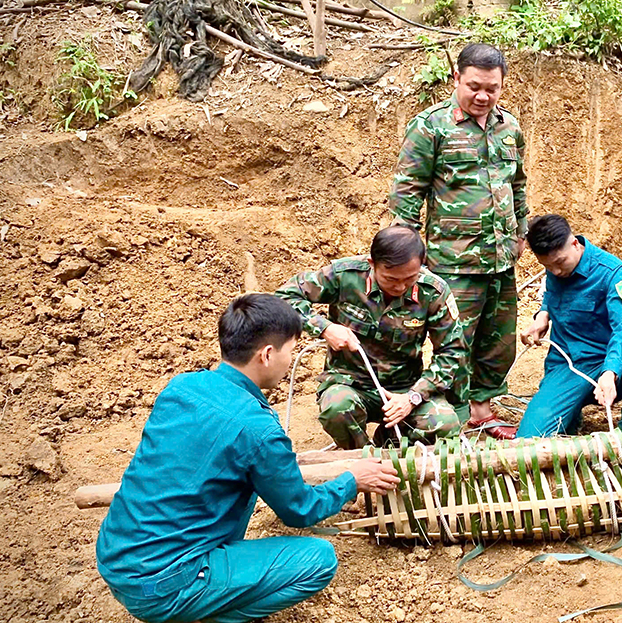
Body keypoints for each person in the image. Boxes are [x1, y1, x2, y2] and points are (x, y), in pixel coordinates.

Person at [95, 294, 400, 623]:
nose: (291, 359)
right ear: (267, 355)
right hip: (165, 584)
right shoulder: (259, 432)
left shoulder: (181, 387)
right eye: (291, 350)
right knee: (318, 560)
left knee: (237, 483)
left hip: (115, 559)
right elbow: (300, 510)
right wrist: (352, 481)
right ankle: (201, 613)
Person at [389, 42, 527, 440]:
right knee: (456, 340)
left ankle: (482, 408)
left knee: (498, 339)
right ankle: (454, 413)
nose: (483, 96)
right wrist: (409, 252)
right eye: (474, 86)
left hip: (500, 256)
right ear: (457, 79)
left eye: (492, 88)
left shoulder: (509, 127)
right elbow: (407, 192)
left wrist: (520, 231)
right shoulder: (431, 126)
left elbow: (517, 183)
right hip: (453, 259)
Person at [276, 226, 464, 449]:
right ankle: (360, 456)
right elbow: (284, 297)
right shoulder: (345, 276)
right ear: (372, 263)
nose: (401, 286)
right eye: (391, 279)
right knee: (337, 408)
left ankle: (391, 442)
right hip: (350, 383)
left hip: (404, 388)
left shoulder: (433, 291)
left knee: (445, 424)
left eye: (410, 278)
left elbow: (452, 353)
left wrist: (413, 397)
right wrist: (325, 327)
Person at [517, 215, 622, 437]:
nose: (555, 271)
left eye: (559, 263)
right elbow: (552, 293)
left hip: (609, 361)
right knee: (530, 438)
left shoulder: (610, 271)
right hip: (568, 366)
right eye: (547, 266)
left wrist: (610, 371)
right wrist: (542, 317)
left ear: (575, 243)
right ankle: (571, 415)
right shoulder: (555, 265)